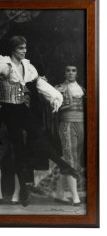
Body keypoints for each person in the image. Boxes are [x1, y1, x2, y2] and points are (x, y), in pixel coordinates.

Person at [0, 36, 79, 206]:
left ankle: (64, 165)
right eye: (20, 48)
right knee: (18, 150)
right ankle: (22, 190)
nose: (24, 51)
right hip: (8, 111)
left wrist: (54, 96)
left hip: (21, 108)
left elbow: (39, 85)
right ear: (13, 49)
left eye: (25, 48)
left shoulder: (27, 67)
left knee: (39, 137)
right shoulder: (4, 65)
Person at [53, 64, 85, 206]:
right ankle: (75, 196)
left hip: (81, 124)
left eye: (73, 70)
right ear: (64, 73)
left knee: (73, 159)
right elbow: (54, 107)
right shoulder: (59, 88)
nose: (71, 73)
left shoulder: (82, 89)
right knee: (70, 158)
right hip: (67, 124)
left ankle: (59, 193)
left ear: (77, 73)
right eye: (68, 70)